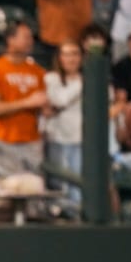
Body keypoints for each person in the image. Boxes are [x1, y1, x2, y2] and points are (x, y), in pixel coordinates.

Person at [0, 20, 47, 173]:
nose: (30, 42)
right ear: (11, 40)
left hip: (32, 141)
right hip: (3, 141)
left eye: (31, 37)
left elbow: (43, 106)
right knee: (5, 190)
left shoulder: (38, 72)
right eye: (25, 37)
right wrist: (27, 102)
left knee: (32, 191)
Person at [42, 41, 84, 203]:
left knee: (76, 185)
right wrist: (82, 84)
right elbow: (60, 100)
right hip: (56, 138)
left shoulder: (86, 80)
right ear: (59, 58)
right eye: (66, 54)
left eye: (75, 54)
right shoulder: (51, 78)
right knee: (57, 183)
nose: (71, 59)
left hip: (79, 140)